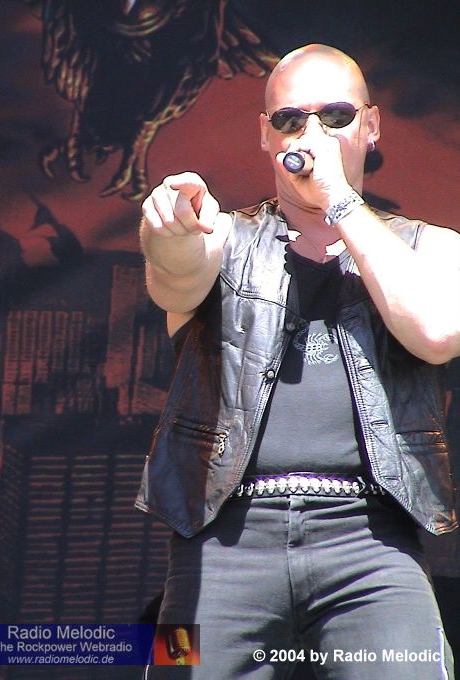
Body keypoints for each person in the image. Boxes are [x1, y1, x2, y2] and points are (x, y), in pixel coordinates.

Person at [136, 44, 460, 679]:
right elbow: (174, 278)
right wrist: (165, 230)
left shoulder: (434, 247)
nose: (312, 135)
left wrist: (339, 199)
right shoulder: (223, 237)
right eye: (290, 120)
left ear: (371, 124)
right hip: (220, 545)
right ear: (266, 134)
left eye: (335, 116)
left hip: (372, 543)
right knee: (178, 667)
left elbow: (435, 331)